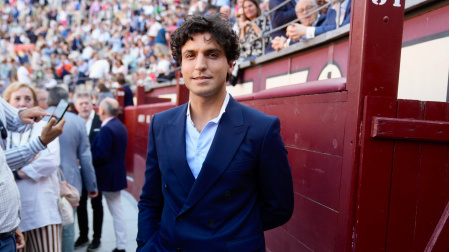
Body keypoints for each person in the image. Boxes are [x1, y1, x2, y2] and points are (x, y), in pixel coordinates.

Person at [137, 14, 293, 251]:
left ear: (231, 63)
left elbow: (279, 207)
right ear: (181, 66)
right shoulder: (161, 123)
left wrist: (233, 234)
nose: (200, 65)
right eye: (190, 55)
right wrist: (145, 245)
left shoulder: (262, 128)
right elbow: (150, 199)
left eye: (212, 54)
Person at [3, 82, 62, 252]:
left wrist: (16, 173)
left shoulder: (44, 126)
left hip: (43, 211)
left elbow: (50, 161)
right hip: (12, 218)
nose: (22, 103)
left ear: (35, 103)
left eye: (28, 99)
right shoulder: (4, 131)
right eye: (17, 98)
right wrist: (30, 158)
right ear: (7, 103)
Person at [46, 87, 98, 252]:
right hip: (69, 182)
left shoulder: (38, 118)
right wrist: (92, 185)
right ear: (67, 101)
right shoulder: (77, 121)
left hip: (41, 181)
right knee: (68, 228)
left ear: (47, 100)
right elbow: (85, 157)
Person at [91, 98, 128, 252]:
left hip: (108, 178)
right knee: (117, 211)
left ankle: (121, 246)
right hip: (115, 176)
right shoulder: (119, 126)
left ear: (103, 111)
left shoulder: (107, 129)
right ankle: (121, 245)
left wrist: (87, 158)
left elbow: (101, 156)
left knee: (116, 212)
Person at [73, 92, 104, 251]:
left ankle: (96, 238)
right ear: (76, 106)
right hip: (78, 172)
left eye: (87, 103)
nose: (84, 106)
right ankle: (83, 235)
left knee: (97, 205)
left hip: (97, 171)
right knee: (81, 204)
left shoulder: (101, 120)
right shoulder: (73, 122)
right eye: (81, 103)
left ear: (92, 104)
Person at [286, 0, 351, 41]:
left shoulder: (356, 3)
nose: (305, 12)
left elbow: (343, 28)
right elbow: (325, 31)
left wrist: (306, 31)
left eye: (308, 8)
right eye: (301, 10)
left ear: (317, 8)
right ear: (297, 16)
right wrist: (287, 41)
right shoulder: (331, 10)